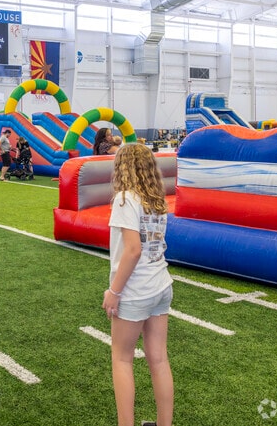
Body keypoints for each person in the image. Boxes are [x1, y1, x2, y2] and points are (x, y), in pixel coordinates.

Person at [101, 143, 174, 426]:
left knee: (122, 359)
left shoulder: (124, 199)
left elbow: (132, 250)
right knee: (158, 359)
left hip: (135, 290)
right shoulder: (155, 199)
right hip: (160, 285)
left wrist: (114, 291)